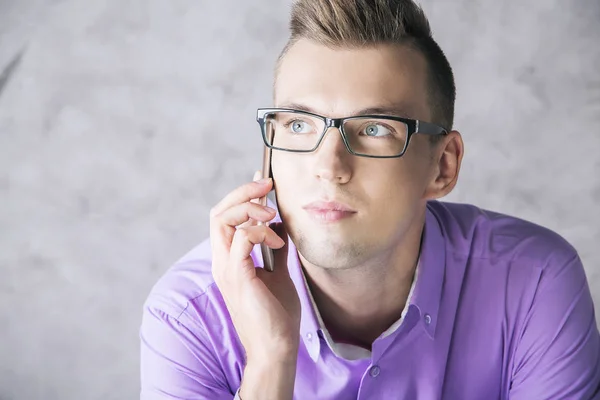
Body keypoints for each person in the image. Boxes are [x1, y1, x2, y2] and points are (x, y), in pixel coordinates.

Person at [139, 0, 600, 399]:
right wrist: (271, 360)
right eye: (300, 124)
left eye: (375, 129)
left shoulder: (534, 282)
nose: (329, 167)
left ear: (443, 166)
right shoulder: (188, 315)